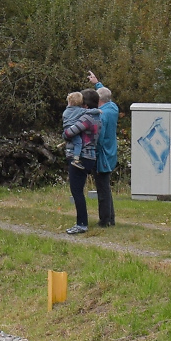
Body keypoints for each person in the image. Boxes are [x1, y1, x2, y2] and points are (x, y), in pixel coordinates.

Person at [62, 90, 102, 234]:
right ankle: (82, 222)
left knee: (77, 191)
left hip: (81, 156)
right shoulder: (97, 117)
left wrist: (64, 133)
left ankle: (82, 224)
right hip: (90, 156)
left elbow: (69, 133)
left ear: (85, 103)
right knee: (78, 190)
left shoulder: (86, 118)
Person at [86, 70, 118, 227]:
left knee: (102, 189)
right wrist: (97, 83)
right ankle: (110, 218)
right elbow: (106, 95)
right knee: (106, 187)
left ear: (99, 100)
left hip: (102, 155)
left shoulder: (103, 115)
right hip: (111, 153)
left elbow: (98, 137)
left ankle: (105, 220)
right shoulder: (113, 108)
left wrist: (91, 148)